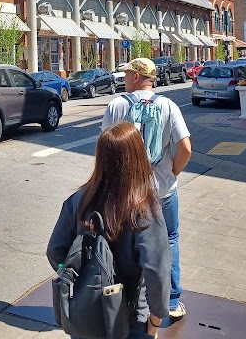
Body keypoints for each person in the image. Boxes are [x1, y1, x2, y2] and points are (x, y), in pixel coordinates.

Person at [47, 122, 170, 339]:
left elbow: (55, 250)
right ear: (138, 159)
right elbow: (157, 273)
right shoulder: (144, 210)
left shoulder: (78, 201)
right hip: (129, 316)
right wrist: (155, 320)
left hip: (86, 315)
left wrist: (76, 277)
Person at [102, 58, 192, 320]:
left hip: (125, 190)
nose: (124, 78)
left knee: (122, 240)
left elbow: (105, 147)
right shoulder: (168, 105)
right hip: (161, 191)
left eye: (128, 74)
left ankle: (122, 297)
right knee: (169, 239)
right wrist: (172, 173)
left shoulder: (117, 105)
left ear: (139, 77)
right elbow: (185, 147)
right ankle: (172, 301)